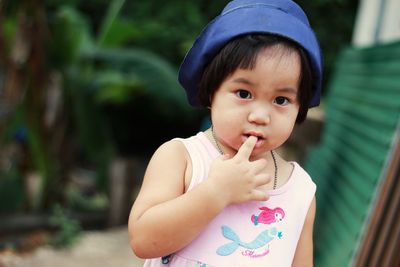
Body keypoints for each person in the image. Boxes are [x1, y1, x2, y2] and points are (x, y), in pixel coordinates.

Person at [128, 0, 323, 266]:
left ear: (300, 107)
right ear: (211, 92)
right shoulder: (182, 158)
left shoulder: (300, 191)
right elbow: (143, 239)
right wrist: (215, 192)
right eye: (244, 94)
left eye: (281, 100)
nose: (260, 116)